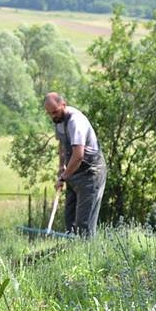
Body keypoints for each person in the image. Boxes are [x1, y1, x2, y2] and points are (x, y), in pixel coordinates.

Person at [44, 92, 106, 237]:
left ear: (63, 105)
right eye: (49, 114)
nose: (53, 116)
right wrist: (61, 167)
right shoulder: (59, 121)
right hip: (73, 173)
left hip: (90, 173)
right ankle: (71, 255)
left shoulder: (75, 121)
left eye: (55, 112)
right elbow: (62, 144)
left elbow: (78, 155)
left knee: (84, 225)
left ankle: (89, 256)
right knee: (69, 222)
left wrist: (63, 177)